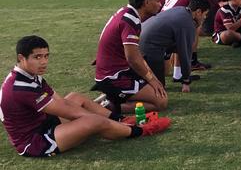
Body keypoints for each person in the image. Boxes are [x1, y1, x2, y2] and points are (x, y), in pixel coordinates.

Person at [1, 36, 170, 157]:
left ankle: (121, 120)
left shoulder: (29, 74)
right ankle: (139, 131)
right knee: (94, 121)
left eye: (46, 56)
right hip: (35, 141)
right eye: (37, 57)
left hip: (44, 122)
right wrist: (100, 121)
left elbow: (60, 100)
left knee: (76, 97)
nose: (44, 61)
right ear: (21, 58)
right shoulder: (20, 87)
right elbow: (67, 111)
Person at [92, 0, 167, 115]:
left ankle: (111, 99)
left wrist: (153, 78)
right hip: (114, 76)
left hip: (115, 71)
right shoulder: (130, 20)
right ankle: (107, 107)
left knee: (158, 89)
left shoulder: (126, 12)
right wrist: (152, 80)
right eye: (158, 1)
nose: (160, 5)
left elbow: (133, 54)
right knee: (161, 101)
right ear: (147, 2)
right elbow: (133, 58)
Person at [140, 0, 210, 94]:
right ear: (198, 12)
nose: (205, 17)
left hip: (143, 38)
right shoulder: (186, 23)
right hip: (147, 46)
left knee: (178, 46)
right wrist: (186, 81)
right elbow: (185, 54)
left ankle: (176, 75)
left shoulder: (182, 10)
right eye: (205, 14)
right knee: (159, 89)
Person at [161, 0, 211, 71]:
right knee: (193, 29)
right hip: (169, 29)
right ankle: (192, 62)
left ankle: (177, 68)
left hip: (161, 25)